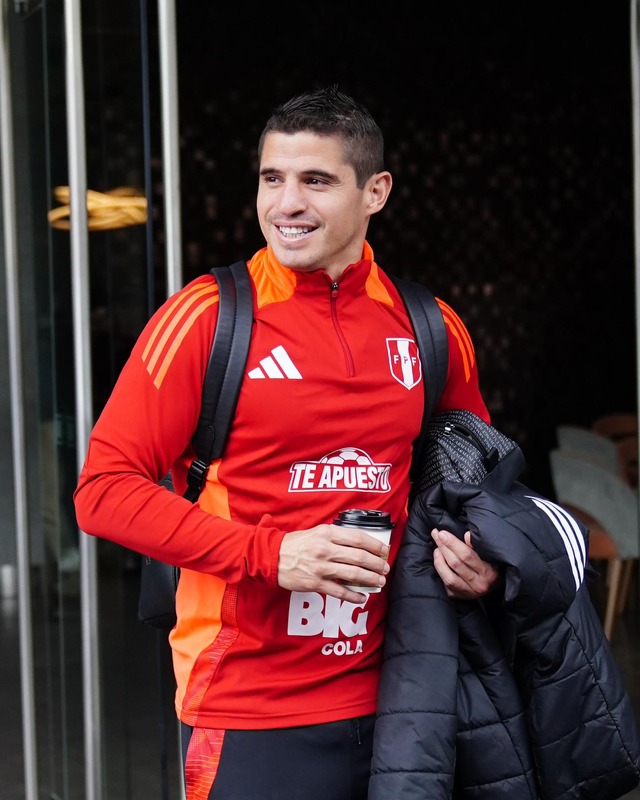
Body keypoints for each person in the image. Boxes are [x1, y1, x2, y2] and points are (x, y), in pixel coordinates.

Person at [74, 85, 499, 800]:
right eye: (273, 178)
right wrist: (273, 553)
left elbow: (476, 489)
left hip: (408, 698)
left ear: (376, 192)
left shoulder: (432, 328)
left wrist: (482, 561)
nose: (286, 203)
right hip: (249, 710)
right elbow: (102, 493)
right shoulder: (209, 319)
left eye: (316, 181)